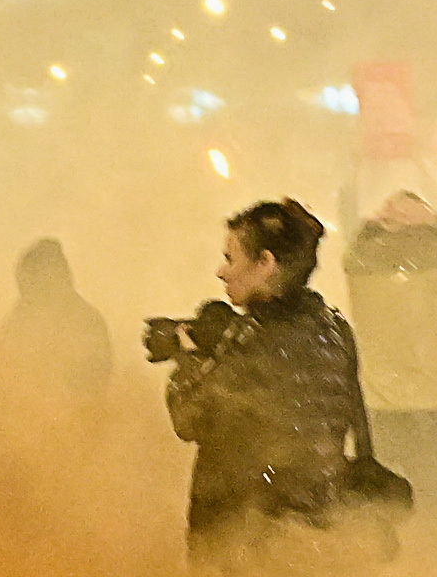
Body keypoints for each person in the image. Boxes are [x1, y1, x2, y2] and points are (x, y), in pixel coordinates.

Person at [162, 194, 380, 556]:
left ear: (265, 263)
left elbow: (189, 417)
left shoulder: (256, 337)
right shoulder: (335, 327)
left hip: (245, 533)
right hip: (317, 521)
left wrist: (186, 356)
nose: (221, 270)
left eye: (231, 258)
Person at [341, 188, 437, 511]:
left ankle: (393, 562)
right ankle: (435, 560)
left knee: (383, 504)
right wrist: (431, 219)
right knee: (433, 502)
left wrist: (378, 224)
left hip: (378, 403)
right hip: (427, 406)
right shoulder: (428, 267)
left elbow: (357, 248)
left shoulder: (360, 265)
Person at [3, 233, 113, 398]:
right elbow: (3, 359)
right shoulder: (20, 315)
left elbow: (91, 381)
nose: (24, 285)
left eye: (32, 278)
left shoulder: (84, 321)